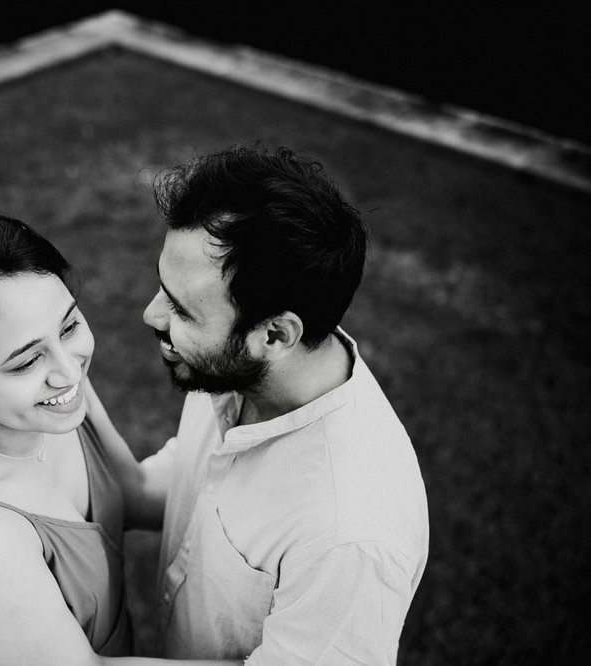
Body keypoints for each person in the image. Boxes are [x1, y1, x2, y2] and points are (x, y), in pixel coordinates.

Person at [0, 215, 234, 666]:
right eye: (25, 362)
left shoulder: (51, 405)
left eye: (69, 326)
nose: (68, 370)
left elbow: (135, 494)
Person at [134, 143, 430, 664]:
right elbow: (171, 485)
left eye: (181, 309)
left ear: (274, 333)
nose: (151, 315)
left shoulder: (349, 532)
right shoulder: (235, 371)